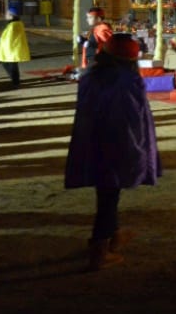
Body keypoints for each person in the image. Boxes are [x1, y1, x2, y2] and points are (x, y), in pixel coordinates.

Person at [65, 33, 161, 272]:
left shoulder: (91, 77)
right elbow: (130, 119)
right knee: (108, 197)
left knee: (107, 193)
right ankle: (100, 250)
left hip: (93, 142)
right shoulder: (127, 82)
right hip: (116, 144)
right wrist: (137, 150)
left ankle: (113, 235)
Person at [0, 7, 31, 89]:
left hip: (11, 49)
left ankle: (16, 82)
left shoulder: (13, 25)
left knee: (11, 66)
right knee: (11, 65)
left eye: (7, 14)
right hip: (12, 48)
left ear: (12, 16)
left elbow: (8, 37)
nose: (5, 15)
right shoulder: (16, 24)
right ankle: (15, 81)